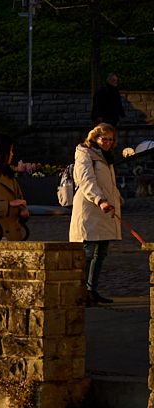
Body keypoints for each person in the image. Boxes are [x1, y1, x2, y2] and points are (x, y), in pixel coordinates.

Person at [72, 123, 124, 304]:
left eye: (111, 140)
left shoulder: (105, 157)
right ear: (95, 138)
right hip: (90, 209)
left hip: (104, 210)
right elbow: (87, 181)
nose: (108, 143)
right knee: (89, 252)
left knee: (101, 253)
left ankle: (92, 290)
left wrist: (116, 200)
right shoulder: (85, 154)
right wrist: (100, 200)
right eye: (104, 139)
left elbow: (109, 184)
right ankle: (82, 292)